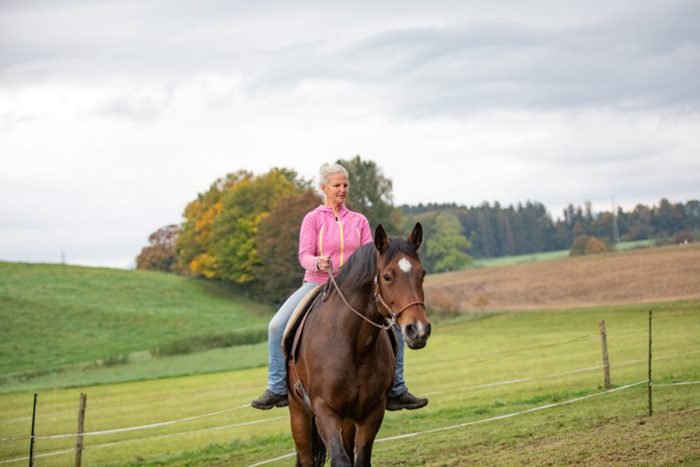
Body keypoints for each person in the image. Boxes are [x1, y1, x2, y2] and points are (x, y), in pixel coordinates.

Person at [251, 162, 428, 411]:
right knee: (276, 326)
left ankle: (397, 389)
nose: (342, 189)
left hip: (356, 290)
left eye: (345, 185)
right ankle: (278, 387)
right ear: (324, 187)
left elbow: (374, 256)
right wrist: (317, 262)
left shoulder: (359, 221)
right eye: (337, 185)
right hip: (317, 283)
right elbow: (303, 255)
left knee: (395, 325)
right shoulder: (312, 219)